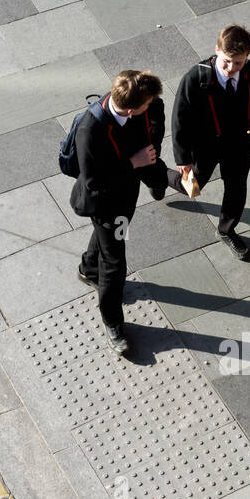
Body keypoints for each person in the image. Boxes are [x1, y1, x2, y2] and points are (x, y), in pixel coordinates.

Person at [69, 70, 166, 356]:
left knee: (106, 240)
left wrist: (153, 155)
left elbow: (156, 115)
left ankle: (88, 268)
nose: (151, 106)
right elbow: (93, 183)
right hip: (104, 203)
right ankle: (112, 321)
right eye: (145, 105)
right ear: (129, 109)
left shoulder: (140, 102)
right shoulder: (91, 130)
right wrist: (133, 163)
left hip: (126, 194)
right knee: (115, 264)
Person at [167, 24, 250, 260]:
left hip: (239, 144)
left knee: (237, 187)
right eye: (226, 62)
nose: (232, 68)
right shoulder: (195, 78)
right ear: (217, 51)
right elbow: (179, 120)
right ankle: (160, 176)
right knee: (193, 186)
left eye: (238, 63)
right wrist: (183, 159)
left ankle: (226, 229)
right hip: (205, 147)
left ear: (247, 58)